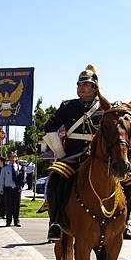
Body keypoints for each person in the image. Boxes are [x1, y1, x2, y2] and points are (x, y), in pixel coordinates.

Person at [42, 64, 106, 241]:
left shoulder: (104, 107)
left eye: (85, 84)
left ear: (94, 87)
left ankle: (125, 222)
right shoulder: (67, 106)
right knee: (55, 178)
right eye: (79, 84)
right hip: (72, 155)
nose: (81, 87)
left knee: (129, 177)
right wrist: (60, 153)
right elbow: (49, 127)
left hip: (98, 156)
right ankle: (55, 223)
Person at [0, 151, 25, 227]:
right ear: (8, 158)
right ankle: (8, 221)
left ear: (16, 157)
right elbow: (2, 179)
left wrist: (21, 187)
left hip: (17, 189)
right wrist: (1, 188)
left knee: (16, 206)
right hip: (8, 189)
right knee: (8, 206)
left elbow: (23, 178)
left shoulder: (20, 167)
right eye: (10, 157)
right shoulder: (5, 168)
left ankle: (16, 221)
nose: (12, 158)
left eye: (14, 156)